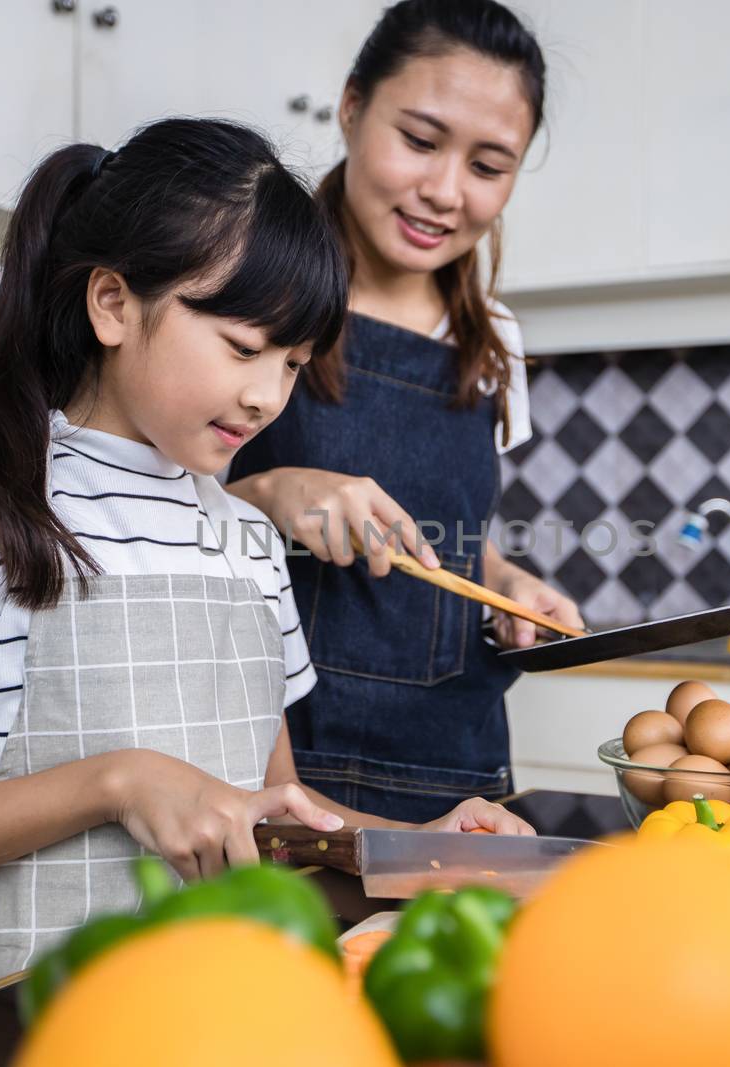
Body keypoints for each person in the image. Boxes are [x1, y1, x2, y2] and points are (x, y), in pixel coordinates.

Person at [0, 118, 529, 995]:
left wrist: (428, 847)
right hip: (44, 1030)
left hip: (229, 1011)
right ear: (113, 303)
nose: (267, 394)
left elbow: (280, 820)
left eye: (294, 362)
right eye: (242, 345)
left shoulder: (252, 543)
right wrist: (119, 781)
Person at [228, 0, 584, 822]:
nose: (444, 191)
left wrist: (505, 588)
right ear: (351, 107)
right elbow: (138, 522)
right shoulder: (253, 289)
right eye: (420, 141)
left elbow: (451, 533)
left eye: (489, 166)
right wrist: (270, 492)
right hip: (278, 771)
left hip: (455, 776)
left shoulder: (492, 338)